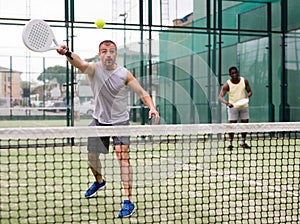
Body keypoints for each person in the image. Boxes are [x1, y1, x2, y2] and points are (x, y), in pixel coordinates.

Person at [57, 40, 160, 218]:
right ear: (100, 54)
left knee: (122, 156)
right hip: (99, 121)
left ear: (115, 55)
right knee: (91, 156)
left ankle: (128, 200)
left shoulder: (124, 74)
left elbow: (143, 93)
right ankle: (99, 181)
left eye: (112, 51)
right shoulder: (94, 69)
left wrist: (152, 107)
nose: (108, 54)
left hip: (120, 122)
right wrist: (67, 53)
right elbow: (79, 63)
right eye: (104, 51)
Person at [218, 66, 252, 150]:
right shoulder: (227, 84)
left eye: (236, 72)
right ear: (230, 74)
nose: (235, 74)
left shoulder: (244, 81)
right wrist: (227, 103)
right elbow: (220, 97)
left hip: (244, 106)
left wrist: (248, 96)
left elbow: (250, 91)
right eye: (233, 73)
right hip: (233, 108)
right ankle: (230, 143)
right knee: (232, 126)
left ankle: (243, 142)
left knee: (244, 125)